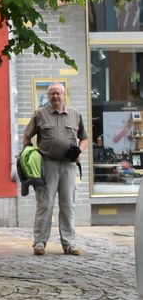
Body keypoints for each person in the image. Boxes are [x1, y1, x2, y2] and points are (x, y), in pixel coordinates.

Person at [22, 82, 87, 256]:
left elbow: (85, 137)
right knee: (45, 204)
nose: (55, 96)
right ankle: (40, 243)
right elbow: (27, 136)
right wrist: (30, 155)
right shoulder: (40, 114)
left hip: (69, 166)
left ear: (65, 95)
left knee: (68, 205)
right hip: (47, 164)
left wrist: (80, 151)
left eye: (58, 93)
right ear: (48, 96)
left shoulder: (75, 115)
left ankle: (69, 244)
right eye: (52, 94)